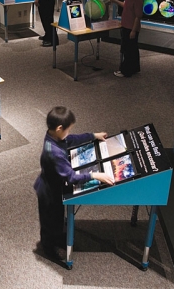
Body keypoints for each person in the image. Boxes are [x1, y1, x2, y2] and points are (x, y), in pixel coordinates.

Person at [33, 106, 114, 260]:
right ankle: (48, 248)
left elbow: (72, 139)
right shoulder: (53, 152)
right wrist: (94, 175)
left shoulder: (55, 137)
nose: (69, 133)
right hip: (48, 192)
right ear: (59, 128)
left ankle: (57, 237)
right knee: (49, 221)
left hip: (55, 188)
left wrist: (93, 136)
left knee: (57, 217)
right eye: (67, 130)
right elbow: (70, 177)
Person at [109, 0, 143, 77]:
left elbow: (138, 16)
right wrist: (114, 1)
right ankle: (134, 68)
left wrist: (133, 31)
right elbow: (126, 5)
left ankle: (126, 71)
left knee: (128, 50)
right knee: (131, 49)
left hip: (131, 28)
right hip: (125, 25)